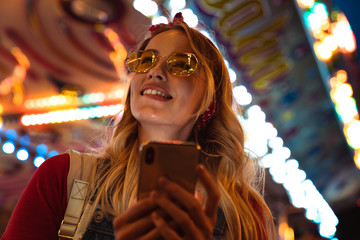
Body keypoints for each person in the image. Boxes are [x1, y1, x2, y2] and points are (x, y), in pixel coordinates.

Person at [1, 13, 275, 239]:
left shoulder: (246, 214)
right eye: (145, 60)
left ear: (211, 98)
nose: (155, 71)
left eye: (181, 64)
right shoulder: (64, 178)